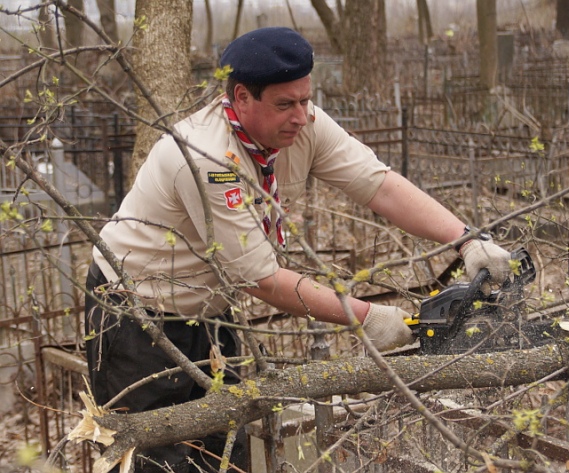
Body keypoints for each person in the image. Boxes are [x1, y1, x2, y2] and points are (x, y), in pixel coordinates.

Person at [84, 26, 512, 472]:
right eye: (285, 104)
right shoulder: (205, 157)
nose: (301, 115)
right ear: (241, 97)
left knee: (221, 448)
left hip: (208, 309)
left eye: (306, 99)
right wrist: (367, 318)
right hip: (135, 314)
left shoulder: (304, 124)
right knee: (150, 459)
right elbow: (261, 278)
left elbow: (379, 186)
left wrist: (466, 239)